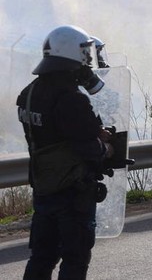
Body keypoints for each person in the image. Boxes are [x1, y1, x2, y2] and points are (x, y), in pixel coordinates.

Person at [17, 25, 114, 279]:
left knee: (42, 257)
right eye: (85, 54)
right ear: (73, 55)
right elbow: (88, 148)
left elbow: (53, 133)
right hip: (73, 192)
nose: (88, 61)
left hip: (44, 188)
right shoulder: (71, 98)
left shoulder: (30, 93)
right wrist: (105, 146)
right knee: (75, 257)